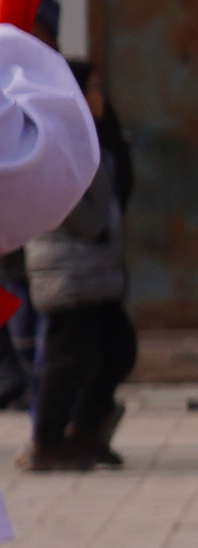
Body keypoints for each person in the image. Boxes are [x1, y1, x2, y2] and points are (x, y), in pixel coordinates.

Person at [24, 51, 130, 471]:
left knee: (116, 348)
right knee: (70, 355)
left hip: (95, 268)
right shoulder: (55, 134)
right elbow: (55, 190)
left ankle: (86, 430)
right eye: (95, 88)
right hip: (68, 265)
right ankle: (46, 442)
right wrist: (94, 227)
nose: (102, 96)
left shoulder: (93, 132)